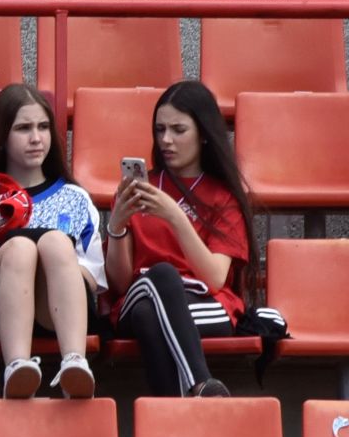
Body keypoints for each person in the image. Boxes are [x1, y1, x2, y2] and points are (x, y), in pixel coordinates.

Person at [0, 84, 104, 398]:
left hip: (57, 311)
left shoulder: (76, 199)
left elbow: (92, 277)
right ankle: (16, 368)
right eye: (23, 128)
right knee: (20, 248)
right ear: (2, 137)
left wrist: (48, 265)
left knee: (56, 243)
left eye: (43, 127)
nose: (36, 138)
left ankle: (74, 363)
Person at [104, 81, 254, 397]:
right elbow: (119, 284)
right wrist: (116, 225)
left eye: (178, 130)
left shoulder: (222, 196)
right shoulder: (141, 188)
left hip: (204, 303)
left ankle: (174, 413)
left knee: (151, 313)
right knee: (158, 279)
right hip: (138, 295)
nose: (166, 140)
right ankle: (201, 384)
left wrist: (174, 216)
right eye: (159, 130)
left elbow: (214, 277)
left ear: (202, 133)